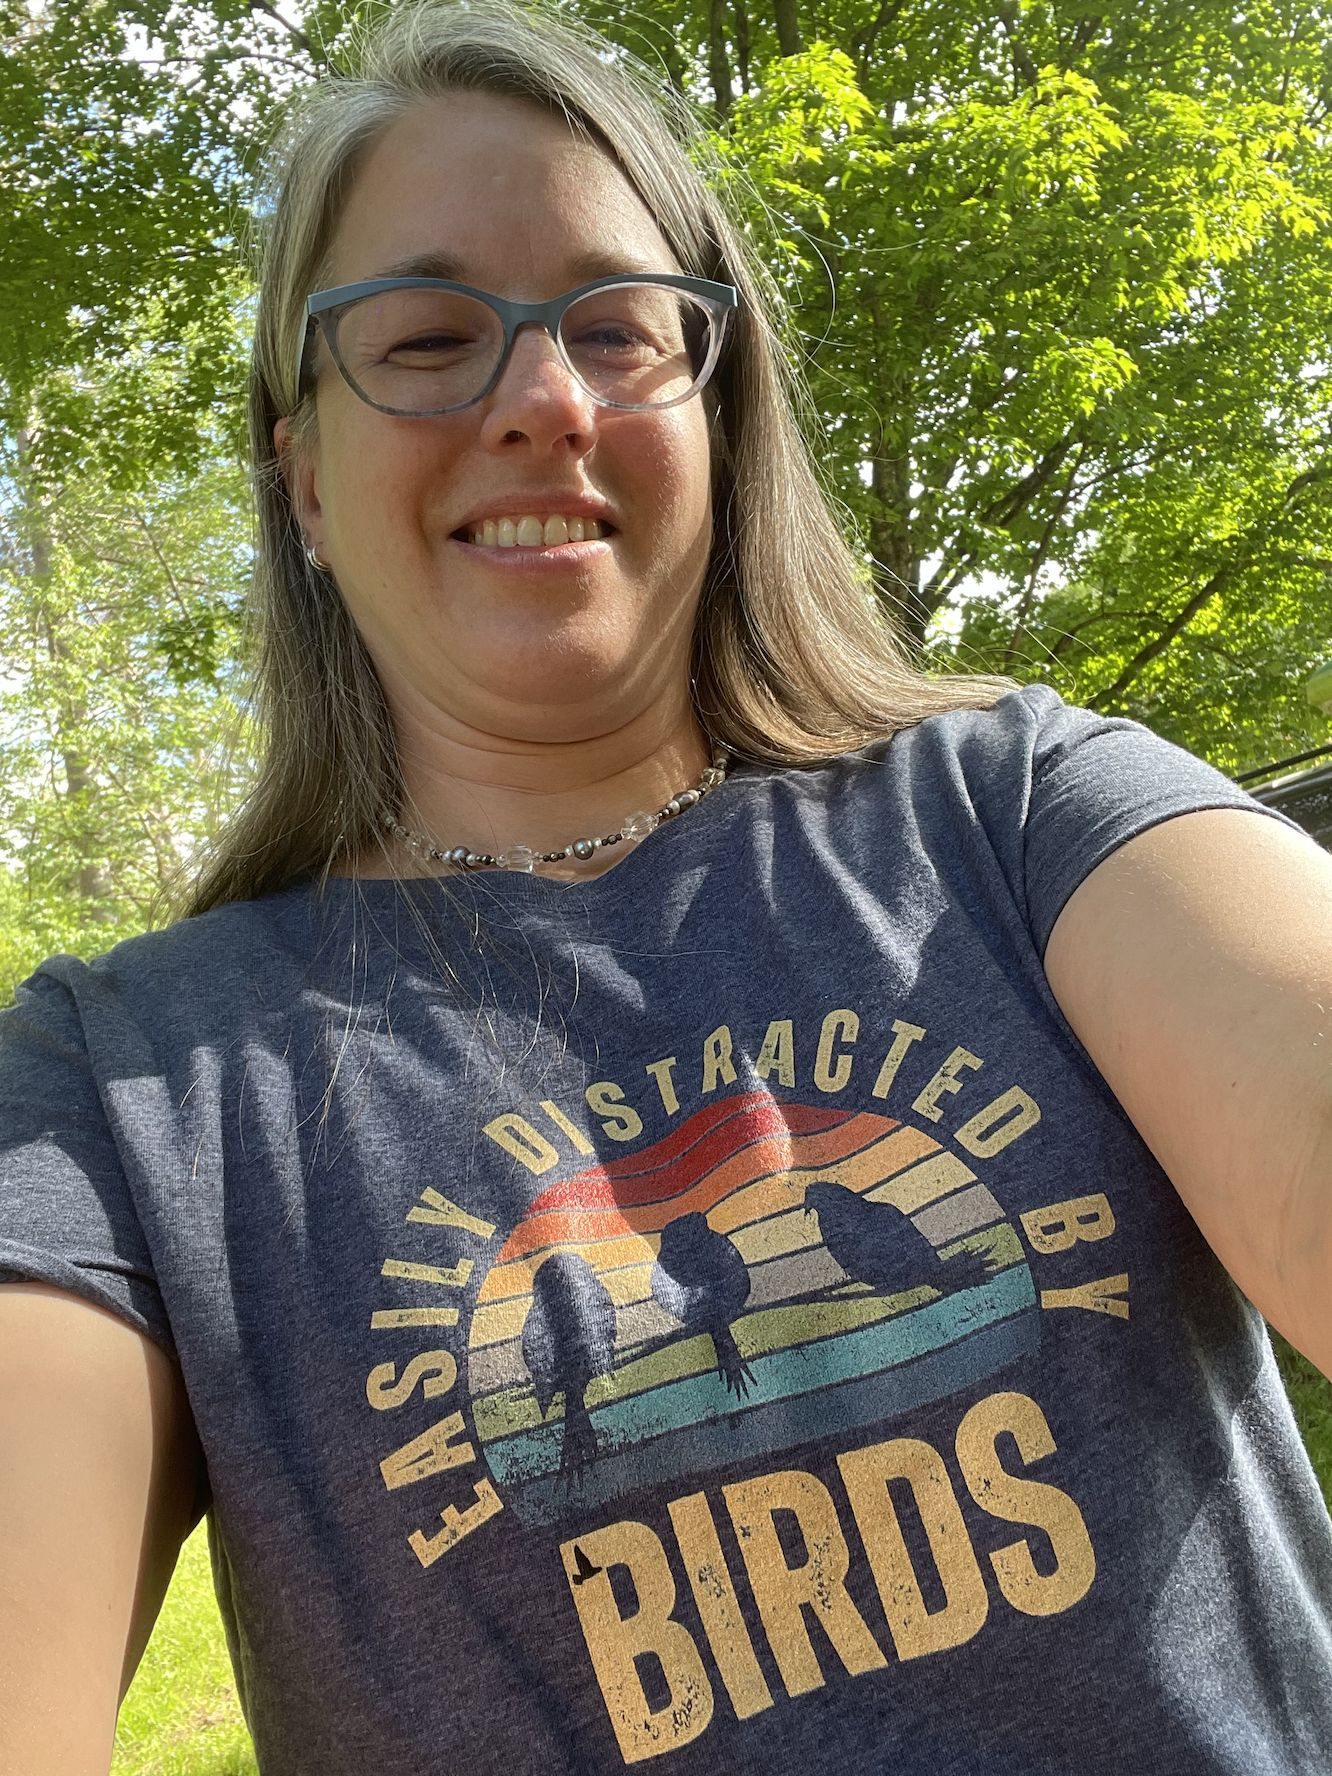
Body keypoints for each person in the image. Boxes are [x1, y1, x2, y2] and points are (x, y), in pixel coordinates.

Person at [2, 3, 1330, 1770]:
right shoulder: (126, 1091)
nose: (541, 402)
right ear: (301, 474)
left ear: (719, 418)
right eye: (422, 336)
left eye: (620, 331)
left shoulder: (1022, 812)